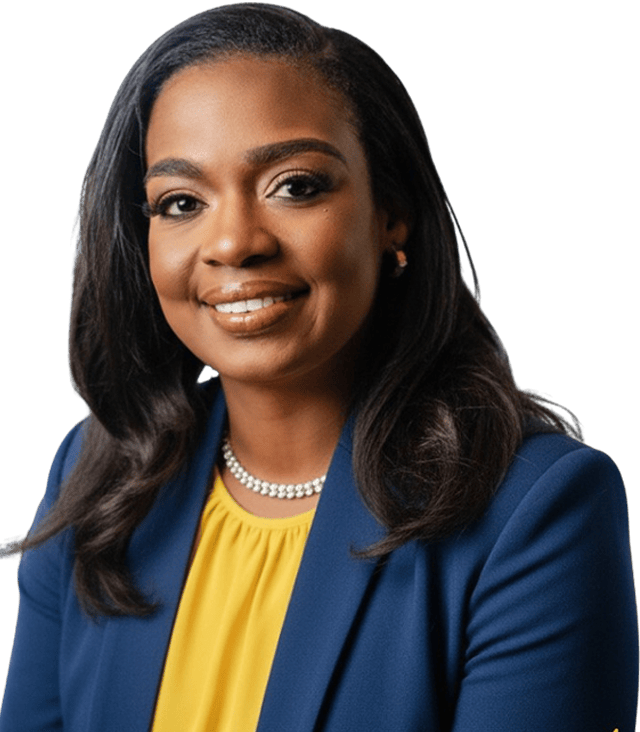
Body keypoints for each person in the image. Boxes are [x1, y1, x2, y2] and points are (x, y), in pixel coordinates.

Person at [1, 3, 637, 730]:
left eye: (296, 185)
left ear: (391, 212)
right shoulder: (98, 473)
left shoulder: (535, 511)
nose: (233, 242)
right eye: (180, 202)